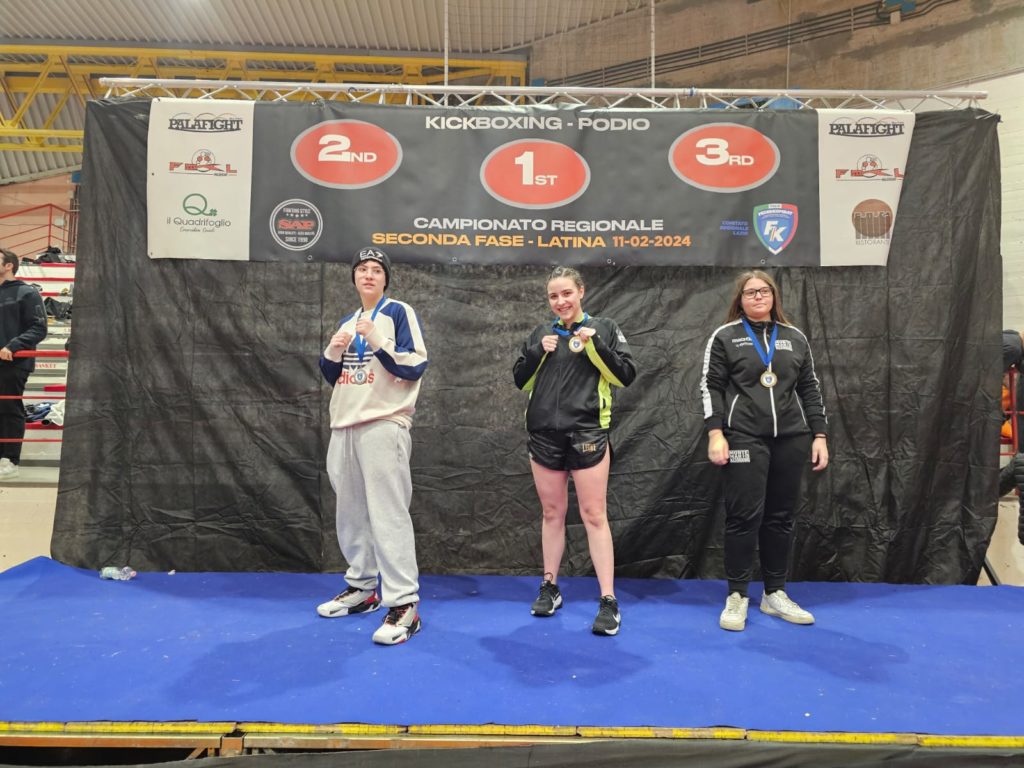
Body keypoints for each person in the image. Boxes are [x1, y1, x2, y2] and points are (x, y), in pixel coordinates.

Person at [700, 270, 828, 632]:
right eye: (750, 292)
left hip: (792, 437)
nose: (758, 296)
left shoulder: (794, 337)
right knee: (743, 516)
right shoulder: (725, 337)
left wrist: (819, 434)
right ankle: (737, 594)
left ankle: (774, 593)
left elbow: (810, 388)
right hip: (743, 436)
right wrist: (715, 433)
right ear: (740, 300)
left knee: (781, 517)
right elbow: (711, 386)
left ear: (774, 296)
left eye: (764, 291)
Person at [513, 266, 637, 636]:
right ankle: (549, 587)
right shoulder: (541, 334)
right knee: (552, 513)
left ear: (581, 292)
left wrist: (595, 345)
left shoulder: (604, 328)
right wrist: (538, 351)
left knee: (594, 515)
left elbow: (625, 375)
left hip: (588, 434)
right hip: (544, 436)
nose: (561, 301)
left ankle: (608, 600)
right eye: (554, 296)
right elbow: (520, 380)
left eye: (567, 293)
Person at [316, 247, 428, 646]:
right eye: (361, 269)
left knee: (388, 513)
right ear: (353, 277)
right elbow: (336, 375)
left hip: (383, 422)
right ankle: (363, 588)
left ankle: (404, 604)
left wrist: (379, 341)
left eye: (376, 270)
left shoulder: (398, 312)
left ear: (385, 278)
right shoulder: (348, 321)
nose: (368, 274)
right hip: (344, 424)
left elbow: (414, 365)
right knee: (350, 513)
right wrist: (331, 352)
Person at [0, 249, 48, 481]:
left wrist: (13, 346)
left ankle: (10, 461)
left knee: (9, 408)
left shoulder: (26, 292)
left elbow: (39, 328)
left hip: (13, 362)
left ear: (9, 265)